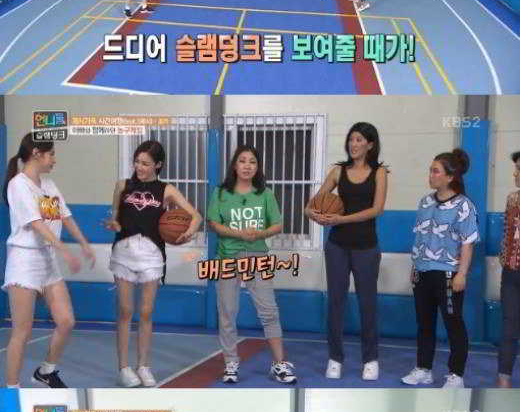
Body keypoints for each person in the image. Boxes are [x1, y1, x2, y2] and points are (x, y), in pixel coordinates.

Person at [105, 140, 201, 387]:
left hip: (152, 255)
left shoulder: (166, 190)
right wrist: (114, 223)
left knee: (146, 312)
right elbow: (115, 217)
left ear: (158, 165)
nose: (139, 167)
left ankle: (144, 366)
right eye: (137, 162)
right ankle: (124, 368)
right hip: (124, 252)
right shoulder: (122, 186)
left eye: (145, 163)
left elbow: (196, 216)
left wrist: (187, 233)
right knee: (125, 311)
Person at [2, 134, 95, 389]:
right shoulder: (18, 185)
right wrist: (64, 250)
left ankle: (46, 371)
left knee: (66, 321)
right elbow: (36, 223)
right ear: (36, 153)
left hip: (48, 261)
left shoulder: (48, 184)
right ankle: (12, 389)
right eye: (51, 153)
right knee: (22, 331)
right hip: (24, 261)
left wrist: (84, 244)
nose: (54, 159)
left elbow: (65, 216)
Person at [207, 145, 297, 385]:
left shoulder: (265, 194)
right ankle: (231, 363)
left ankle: (279, 364)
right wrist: (239, 234)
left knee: (269, 310)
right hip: (227, 257)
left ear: (257, 167)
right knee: (227, 311)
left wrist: (259, 234)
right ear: (235, 165)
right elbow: (213, 223)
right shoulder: (220, 193)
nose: (247, 165)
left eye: (252, 162)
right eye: (242, 160)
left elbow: (277, 225)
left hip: (258, 256)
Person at [306, 123, 388, 381]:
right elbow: (310, 206)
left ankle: (370, 359)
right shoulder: (338, 171)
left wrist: (341, 219)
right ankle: (335, 358)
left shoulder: (379, 172)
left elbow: (377, 209)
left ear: (370, 145)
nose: (354, 144)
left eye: (359, 140)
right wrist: (316, 215)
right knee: (336, 302)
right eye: (351, 139)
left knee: (368, 304)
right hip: (337, 247)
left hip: (366, 247)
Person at [402, 148, 479, 388]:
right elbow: (420, 237)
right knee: (424, 323)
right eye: (430, 170)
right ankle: (424, 369)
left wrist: (461, 274)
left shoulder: (464, 206)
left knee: (453, 323)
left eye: (436, 171)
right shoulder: (425, 202)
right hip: (422, 272)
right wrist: (415, 266)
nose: (431, 175)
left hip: (447, 274)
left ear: (450, 177)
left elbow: (468, 243)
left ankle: (456, 375)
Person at [497, 150, 520, 387]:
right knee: (509, 327)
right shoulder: (512, 199)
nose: (515, 174)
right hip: (512, 273)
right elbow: (507, 233)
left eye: (519, 169)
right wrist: (505, 259)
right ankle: (503, 380)